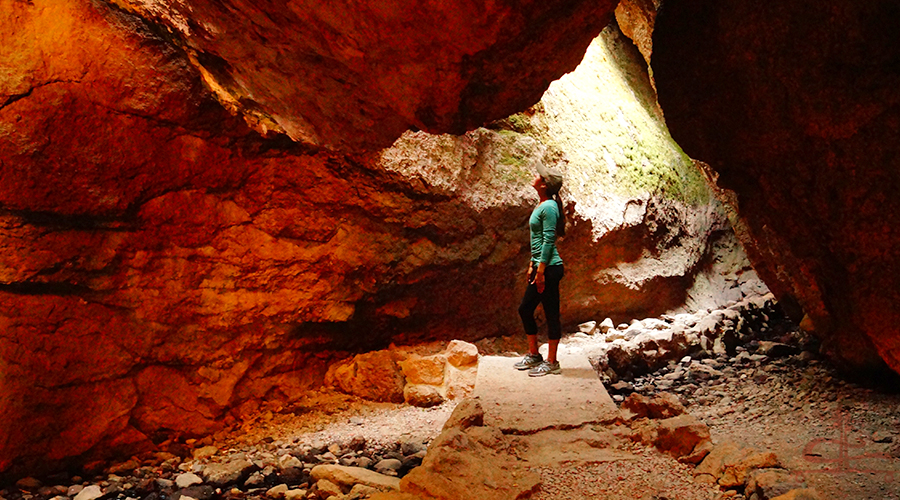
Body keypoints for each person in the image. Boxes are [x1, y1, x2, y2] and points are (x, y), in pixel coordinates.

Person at [514, 162, 566, 377]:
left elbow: (548, 239)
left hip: (550, 267)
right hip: (541, 266)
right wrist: (532, 264)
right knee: (526, 309)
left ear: (544, 185)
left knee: (551, 312)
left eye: (540, 175)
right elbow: (536, 240)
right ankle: (534, 354)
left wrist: (541, 270)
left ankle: (552, 361)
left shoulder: (549, 207)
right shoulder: (543, 204)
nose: (535, 175)